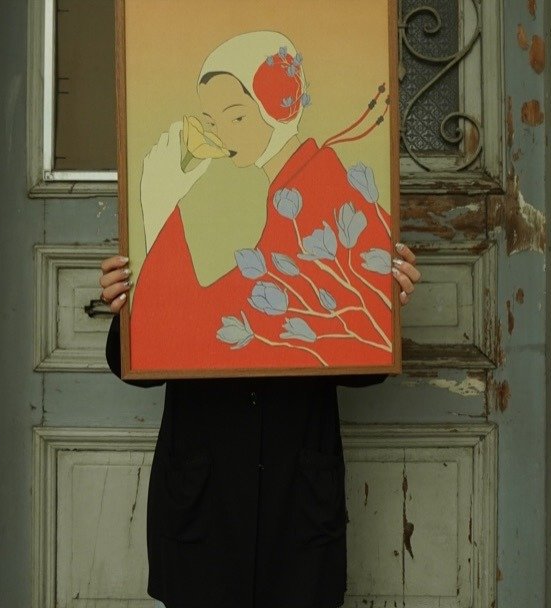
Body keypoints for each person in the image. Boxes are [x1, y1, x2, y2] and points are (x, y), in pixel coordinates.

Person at [100, 30, 422, 608]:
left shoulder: (321, 191)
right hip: (205, 494)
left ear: (282, 106)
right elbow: (141, 364)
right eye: (212, 119)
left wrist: (383, 307)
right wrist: (130, 296)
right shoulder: (213, 189)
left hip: (293, 502)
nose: (221, 133)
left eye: (236, 115)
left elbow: (358, 364)